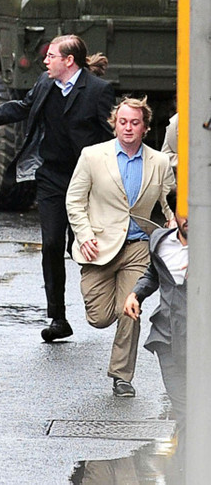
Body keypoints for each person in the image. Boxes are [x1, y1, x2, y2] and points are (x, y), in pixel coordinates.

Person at [0, 35, 116, 343]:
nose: (45, 61)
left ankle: (99, 302)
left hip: (85, 180)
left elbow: (109, 137)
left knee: (80, 246)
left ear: (69, 61)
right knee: (51, 244)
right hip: (51, 177)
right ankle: (58, 318)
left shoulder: (97, 91)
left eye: (51, 56)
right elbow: (20, 108)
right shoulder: (45, 83)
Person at [66, 97, 175, 398]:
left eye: (135, 123)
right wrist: (84, 235)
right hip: (99, 245)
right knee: (100, 317)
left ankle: (121, 376)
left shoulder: (159, 162)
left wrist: (173, 223)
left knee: (130, 308)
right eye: (123, 122)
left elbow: (169, 202)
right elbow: (74, 200)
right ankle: (109, 306)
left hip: (138, 245)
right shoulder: (92, 156)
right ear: (114, 124)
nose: (128, 128)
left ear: (145, 127)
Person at [124, 209, 189, 422]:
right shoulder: (160, 241)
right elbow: (153, 272)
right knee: (184, 411)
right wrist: (136, 294)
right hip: (167, 337)